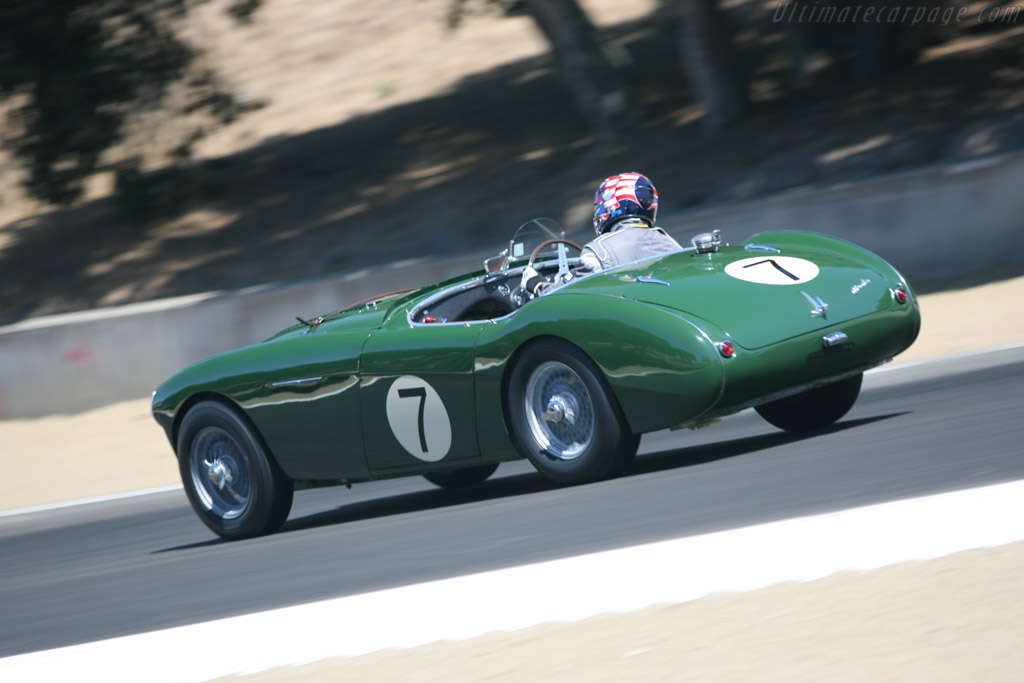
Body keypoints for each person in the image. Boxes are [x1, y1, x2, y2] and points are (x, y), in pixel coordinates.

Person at [521, 172, 683, 296]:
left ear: (610, 206)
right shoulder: (668, 241)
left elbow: (562, 293)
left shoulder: (600, 250)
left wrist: (536, 284)